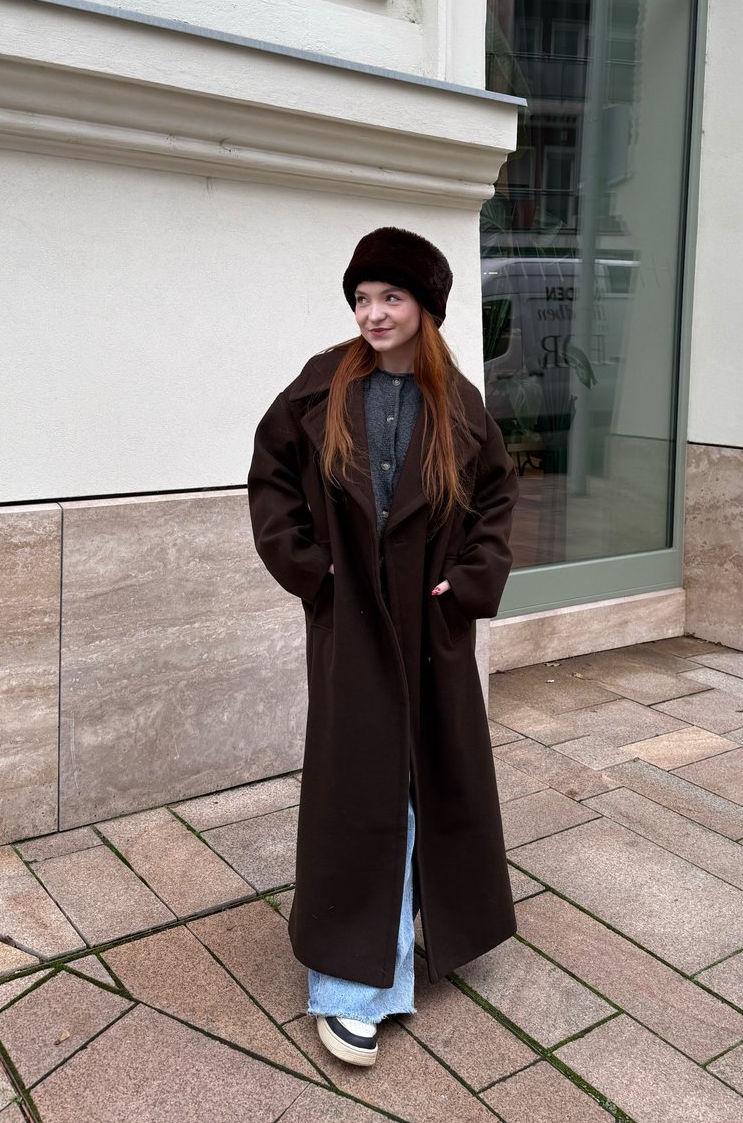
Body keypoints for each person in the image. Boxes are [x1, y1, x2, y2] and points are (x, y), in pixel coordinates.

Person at [248, 226, 518, 1067]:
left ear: (425, 309)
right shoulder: (318, 389)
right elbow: (272, 483)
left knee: (423, 781)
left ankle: (399, 944)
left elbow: (497, 503)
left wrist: (467, 584)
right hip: (356, 623)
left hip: (429, 626)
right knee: (360, 788)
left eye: (390, 298)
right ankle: (352, 983)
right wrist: (315, 572)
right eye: (362, 299)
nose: (373, 313)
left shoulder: (460, 404)